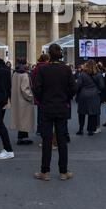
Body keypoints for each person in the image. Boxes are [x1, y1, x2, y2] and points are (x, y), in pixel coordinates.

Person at [33, 44, 76, 181]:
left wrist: (43, 100)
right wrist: (65, 98)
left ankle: (45, 172)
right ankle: (63, 172)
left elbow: (37, 89)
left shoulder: (43, 69)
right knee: (62, 140)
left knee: (47, 140)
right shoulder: (66, 69)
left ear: (49, 54)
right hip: (62, 107)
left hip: (47, 108)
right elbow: (73, 88)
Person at [76, 60, 104, 136]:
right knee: (92, 113)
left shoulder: (82, 74)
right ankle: (90, 130)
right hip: (94, 95)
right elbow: (102, 86)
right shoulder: (98, 74)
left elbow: (78, 85)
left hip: (83, 95)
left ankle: (81, 129)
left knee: (81, 112)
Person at [10, 59, 34, 145]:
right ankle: (22, 138)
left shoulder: (15, 73)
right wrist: (31, 97)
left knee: (21, 119)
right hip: (24, 100)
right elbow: (25, 89)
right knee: (24, 119)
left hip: (17, 99)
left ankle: (22, 137)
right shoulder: (24, 74)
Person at [31, 54, 49, 136]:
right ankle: (46, 129)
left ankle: (39, 128)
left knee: (40, 111)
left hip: (38, 92)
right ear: (46, 60)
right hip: (47, 92)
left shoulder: (36, 68)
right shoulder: (48, 68)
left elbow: (32, 80)